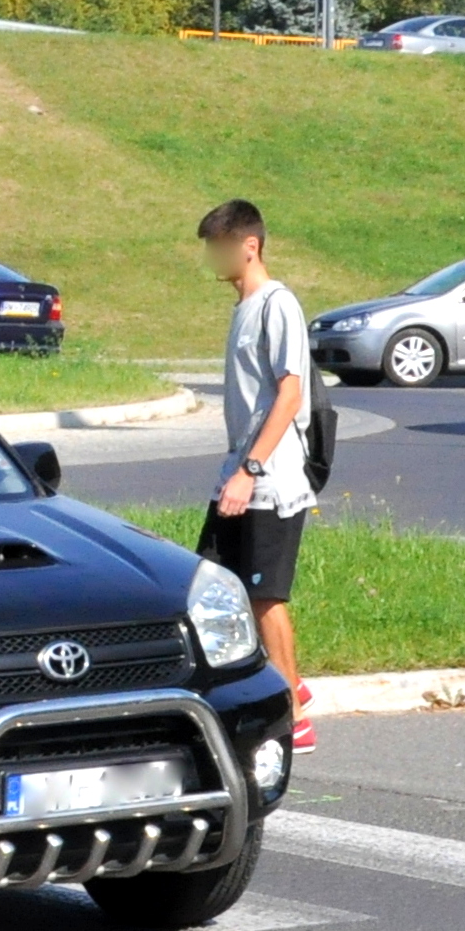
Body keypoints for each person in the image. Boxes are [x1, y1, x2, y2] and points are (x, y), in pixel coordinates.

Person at [197, 199, 316, 756]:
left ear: (250, 245)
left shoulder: (277, 304)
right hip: (237, 474)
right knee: (216, 588)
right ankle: (276, 688)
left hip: (269, 479)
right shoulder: (242, 308)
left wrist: (249, 470)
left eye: (221, 246)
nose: (213, 259)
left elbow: (290, 394)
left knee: (266, 597)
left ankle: (293, 711)